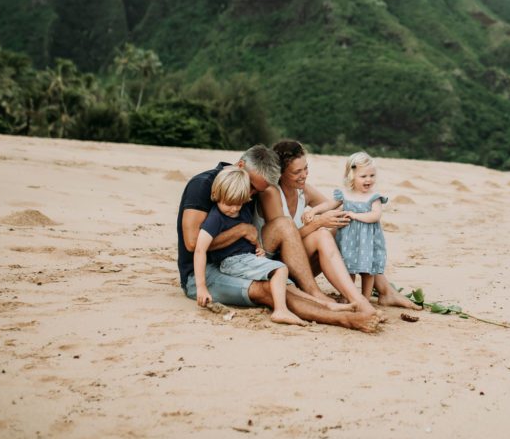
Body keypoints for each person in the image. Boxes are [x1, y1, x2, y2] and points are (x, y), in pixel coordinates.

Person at [176, 145, 381, 332]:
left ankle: (318, 295)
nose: (251, 195)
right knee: (269, 290)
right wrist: (241, 231)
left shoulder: (251, 186)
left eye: (258, 190)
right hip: (204, 272)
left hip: (243, 258)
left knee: (285, 225)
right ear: (240, 166)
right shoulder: (203, 185)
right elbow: (193, 243)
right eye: (253, 188)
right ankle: (345, 319)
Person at [262, 140, 419, 311]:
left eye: (306, 168)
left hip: (303, 265)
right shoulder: (272, 193)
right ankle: (358, 299)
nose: (304, 175)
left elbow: (341, 208)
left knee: (345, 224)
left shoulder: (303, 190)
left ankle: (384, 289)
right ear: (281, 173)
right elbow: (284, 240)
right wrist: (319, 222)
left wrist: (360, 207)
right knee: (322, 232)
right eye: (297, 172)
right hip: (279, 266)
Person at [193, 166, 306, 326]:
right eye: (229, 204)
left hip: (247, 257)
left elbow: (251, 234)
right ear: (215, 195)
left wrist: (258, 246)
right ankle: (280, 311)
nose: (234, 209)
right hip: (231, 262)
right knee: (280, 269)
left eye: (239, 204)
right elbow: (199, 249)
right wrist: (201, 286)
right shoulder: (215, 218)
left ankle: (322, 304)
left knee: (287, 283)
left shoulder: (242, 210)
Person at [333, 152, 391, 302]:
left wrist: (354, 215)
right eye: (363, 176)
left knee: (367, 272)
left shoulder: (373, 197)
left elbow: (375, 216)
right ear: (352, 176)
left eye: (372, 175)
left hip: (367, 242)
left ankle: (365, 297)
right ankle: (347, 295)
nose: (369, 180)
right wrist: (315, 211)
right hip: (348, 240)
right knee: (347, 268)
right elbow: (331, 205)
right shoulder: (345, 195)